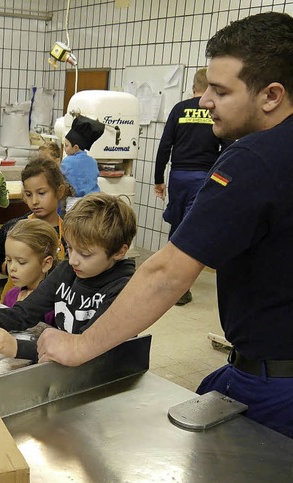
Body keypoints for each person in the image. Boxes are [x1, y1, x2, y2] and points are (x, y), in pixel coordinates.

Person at [35, 12, 293, 439]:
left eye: (221, 90)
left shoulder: (253, 160)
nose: (204, 100)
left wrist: (81, 345)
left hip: (276, 383)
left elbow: (165, 273)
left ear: (271, 95)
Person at [0, 193, 137, 363]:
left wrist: (18, 347)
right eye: (70, 248)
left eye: (85, 254)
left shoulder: (123, 291)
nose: (72, 260)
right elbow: (24, 312)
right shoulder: (68, 271)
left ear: (119, 251)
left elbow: (90, 350)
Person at [154, 68, 231, 306]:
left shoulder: (179, 109)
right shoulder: (216, 110)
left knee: (177, 227)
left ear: (193, 87)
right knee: (192, 230)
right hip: (204, 178)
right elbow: (227, 147)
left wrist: (159, 178)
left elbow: (165, 145)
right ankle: (181, 288)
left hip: (178, 176)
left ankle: (168, 280)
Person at [0, 218, 59, 359]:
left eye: (21, 262)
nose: (12, 268)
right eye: (8, 260)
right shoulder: (11, 295)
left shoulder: (55, 304)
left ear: (46, 263)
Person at [0, 157, 70, 279]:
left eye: (41, 193)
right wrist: (12, 268)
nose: (34, 201)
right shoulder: (14, 228)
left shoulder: (69, 233)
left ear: (60, 191)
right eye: (29, 194)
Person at [60, 115, 103, 213]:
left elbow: (58, 178)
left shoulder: (67, 161)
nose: (65, 149)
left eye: (66, 146)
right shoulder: (92, 161)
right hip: (94, 203)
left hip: (75, 204)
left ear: (75, 147)